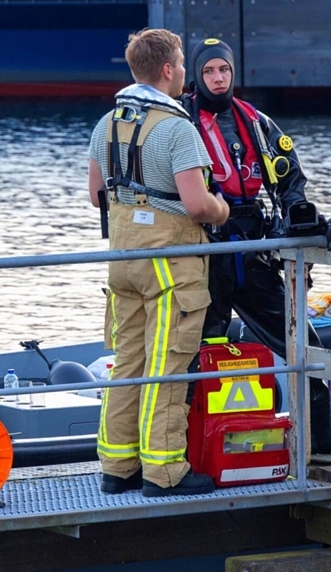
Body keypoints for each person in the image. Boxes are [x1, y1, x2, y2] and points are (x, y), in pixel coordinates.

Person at [182, 38, 331, 455]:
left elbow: (290, 178)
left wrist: (297, 210)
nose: (218, 78)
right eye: (209, 71)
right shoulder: (179, 124)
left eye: (223, 69)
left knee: (302, 340)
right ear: (196, 75)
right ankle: (188, 443)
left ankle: (319, 430)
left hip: (252, 250)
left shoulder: (256, 123)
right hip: (203, 255)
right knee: (192, 348)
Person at [87, 29, 230, 497]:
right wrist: (222, 208)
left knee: (128, 361)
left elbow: (96, 196)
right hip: (171, 265)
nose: (186, 73)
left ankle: (116, 465)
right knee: (168, 365)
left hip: (122, 259)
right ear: (168, 70)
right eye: (185, 66)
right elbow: (196, 205)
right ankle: (164, 472)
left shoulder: (106, 124)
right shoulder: (177, 128)